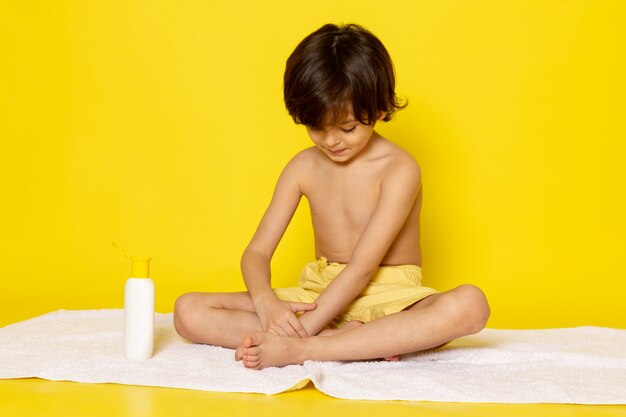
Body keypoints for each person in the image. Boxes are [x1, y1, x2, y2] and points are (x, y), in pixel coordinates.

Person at [173, 23, 490, 370]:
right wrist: (267, 303)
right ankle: (355, 341)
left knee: (470, 305)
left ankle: (313, 348)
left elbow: (361, 269)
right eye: (317, 129)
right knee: (187, 311)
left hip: (389, 297)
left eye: (348, 128)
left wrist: (294, 340)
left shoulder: (399, 168)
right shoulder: (303, 168)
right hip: (317, 295)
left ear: (382, 107)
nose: (332, 142)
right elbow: (256, 253)